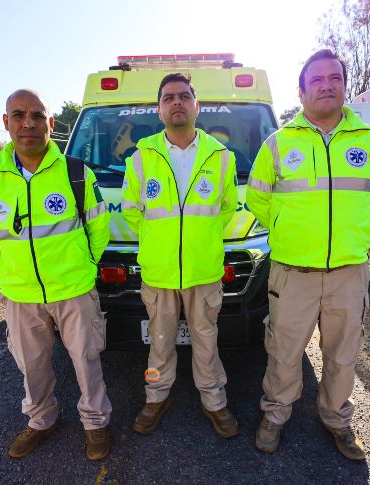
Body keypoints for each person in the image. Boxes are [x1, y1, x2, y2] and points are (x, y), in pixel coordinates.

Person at [246, 49, 370, 460]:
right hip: (293, 272)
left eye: (335, 78)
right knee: (284, 351)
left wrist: (347, 234)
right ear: (302, 90)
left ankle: (337, 420)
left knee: (343, 355)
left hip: (349, 271)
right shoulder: (278, 144)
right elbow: (259, 200)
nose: (327, 85)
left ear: (344, 85)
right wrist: (290, 231)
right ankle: (275, 415)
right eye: (317, 80)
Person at [0, 89, 112, 461]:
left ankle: (96, 424)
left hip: (73, 288)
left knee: (86, 359)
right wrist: (13, 269)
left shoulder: (75, 172)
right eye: (19, 115)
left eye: (37, 115)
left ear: (51, 124)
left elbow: (99, 229)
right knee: (30, 365)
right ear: (6, 123)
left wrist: (83, 265)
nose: (28, 123)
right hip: (20, 293)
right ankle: (41, 420)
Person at [121, 73, 240, 438]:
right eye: (169, 97)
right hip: (159, 273)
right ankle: (155, 397)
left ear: (196, 106)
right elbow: (131, 212)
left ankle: (214, 402)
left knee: (207, 342)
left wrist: (198, 244)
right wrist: (161, 246)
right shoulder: (140, 158)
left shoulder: (221, 158)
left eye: (184, 96)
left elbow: (226, 210)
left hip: (203, 272)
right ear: (159, 109)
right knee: (158, 344)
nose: (177, 102)